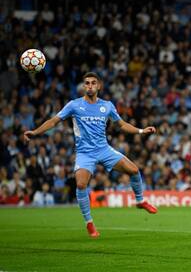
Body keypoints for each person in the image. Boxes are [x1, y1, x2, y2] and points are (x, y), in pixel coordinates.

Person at [23, 72, 157, 238]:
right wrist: (35, 132)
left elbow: (121, 125)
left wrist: (141, 130)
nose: (90, 86)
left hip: (103, 149)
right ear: (84, 86)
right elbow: (53, 121)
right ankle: (89, 223)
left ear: (99, 86)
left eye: (93, 83)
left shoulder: (107, 106)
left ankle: (140, 200)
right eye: (87, 83)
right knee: (80, 185)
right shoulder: (74, 105)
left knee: (134, 170)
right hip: (85, 153)